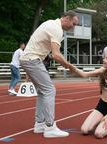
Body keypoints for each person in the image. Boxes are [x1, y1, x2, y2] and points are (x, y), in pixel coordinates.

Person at [19, 10, 79, 138]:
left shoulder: (52, 24)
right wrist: (70, 66)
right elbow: (56, 55)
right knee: (50, 90)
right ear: (66, 18)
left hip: (29, 59)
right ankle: (50, 127)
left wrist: (66, 65)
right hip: (32, 59)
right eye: (73, 24)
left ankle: (39, 124)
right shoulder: (56, 28)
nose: (73, 27)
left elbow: (52, 54)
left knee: (42, 91)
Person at [73, 52, 107, 139]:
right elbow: (84, 74)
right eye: (104, 58)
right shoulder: (102, 71)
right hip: (101, 106)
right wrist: (71, 67)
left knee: (98, 134)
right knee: (84, 130)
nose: (104, 60)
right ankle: (100, 119)